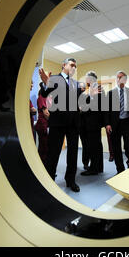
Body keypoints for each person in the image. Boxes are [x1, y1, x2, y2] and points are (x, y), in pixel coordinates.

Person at [39, 58, 83, 192]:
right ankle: (49, 179)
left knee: (73, 153)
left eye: (75, 66)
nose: (74, 68)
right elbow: (45, 93)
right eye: (72, 65)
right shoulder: (55, 79)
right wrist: (46, 83)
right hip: (58, 122)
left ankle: (71, 180)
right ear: (63, 65)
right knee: (53, 152)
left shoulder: (76, 84)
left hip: (74, 124)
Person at [105, 71, 129, 174]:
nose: (119, 79)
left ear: (125, 80)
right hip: (115, 124)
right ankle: (120, 169)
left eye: (122, 77)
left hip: (127, 123)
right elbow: (106, 110)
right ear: (116, 79)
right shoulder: (110, 93)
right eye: (118, 77)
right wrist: (107, 123)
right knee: (116, 148)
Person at [79, 71, 107, 176]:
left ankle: (94, 169)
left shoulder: (97, 88)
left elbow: (95, 105)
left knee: (94, 146)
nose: (86, 80)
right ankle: (99, 167)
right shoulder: (90, 89)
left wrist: (84, 104)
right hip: (90, 123)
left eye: (87, 78)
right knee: (96, 145)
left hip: (93, 122)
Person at [35, 90, 51, 164]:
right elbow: (46, 114)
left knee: (45, 146)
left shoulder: (47, 99)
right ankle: (43, 166)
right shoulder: (42, 98)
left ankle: (44, 164)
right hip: (42, 125)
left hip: (46, 125)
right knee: (43, 147)